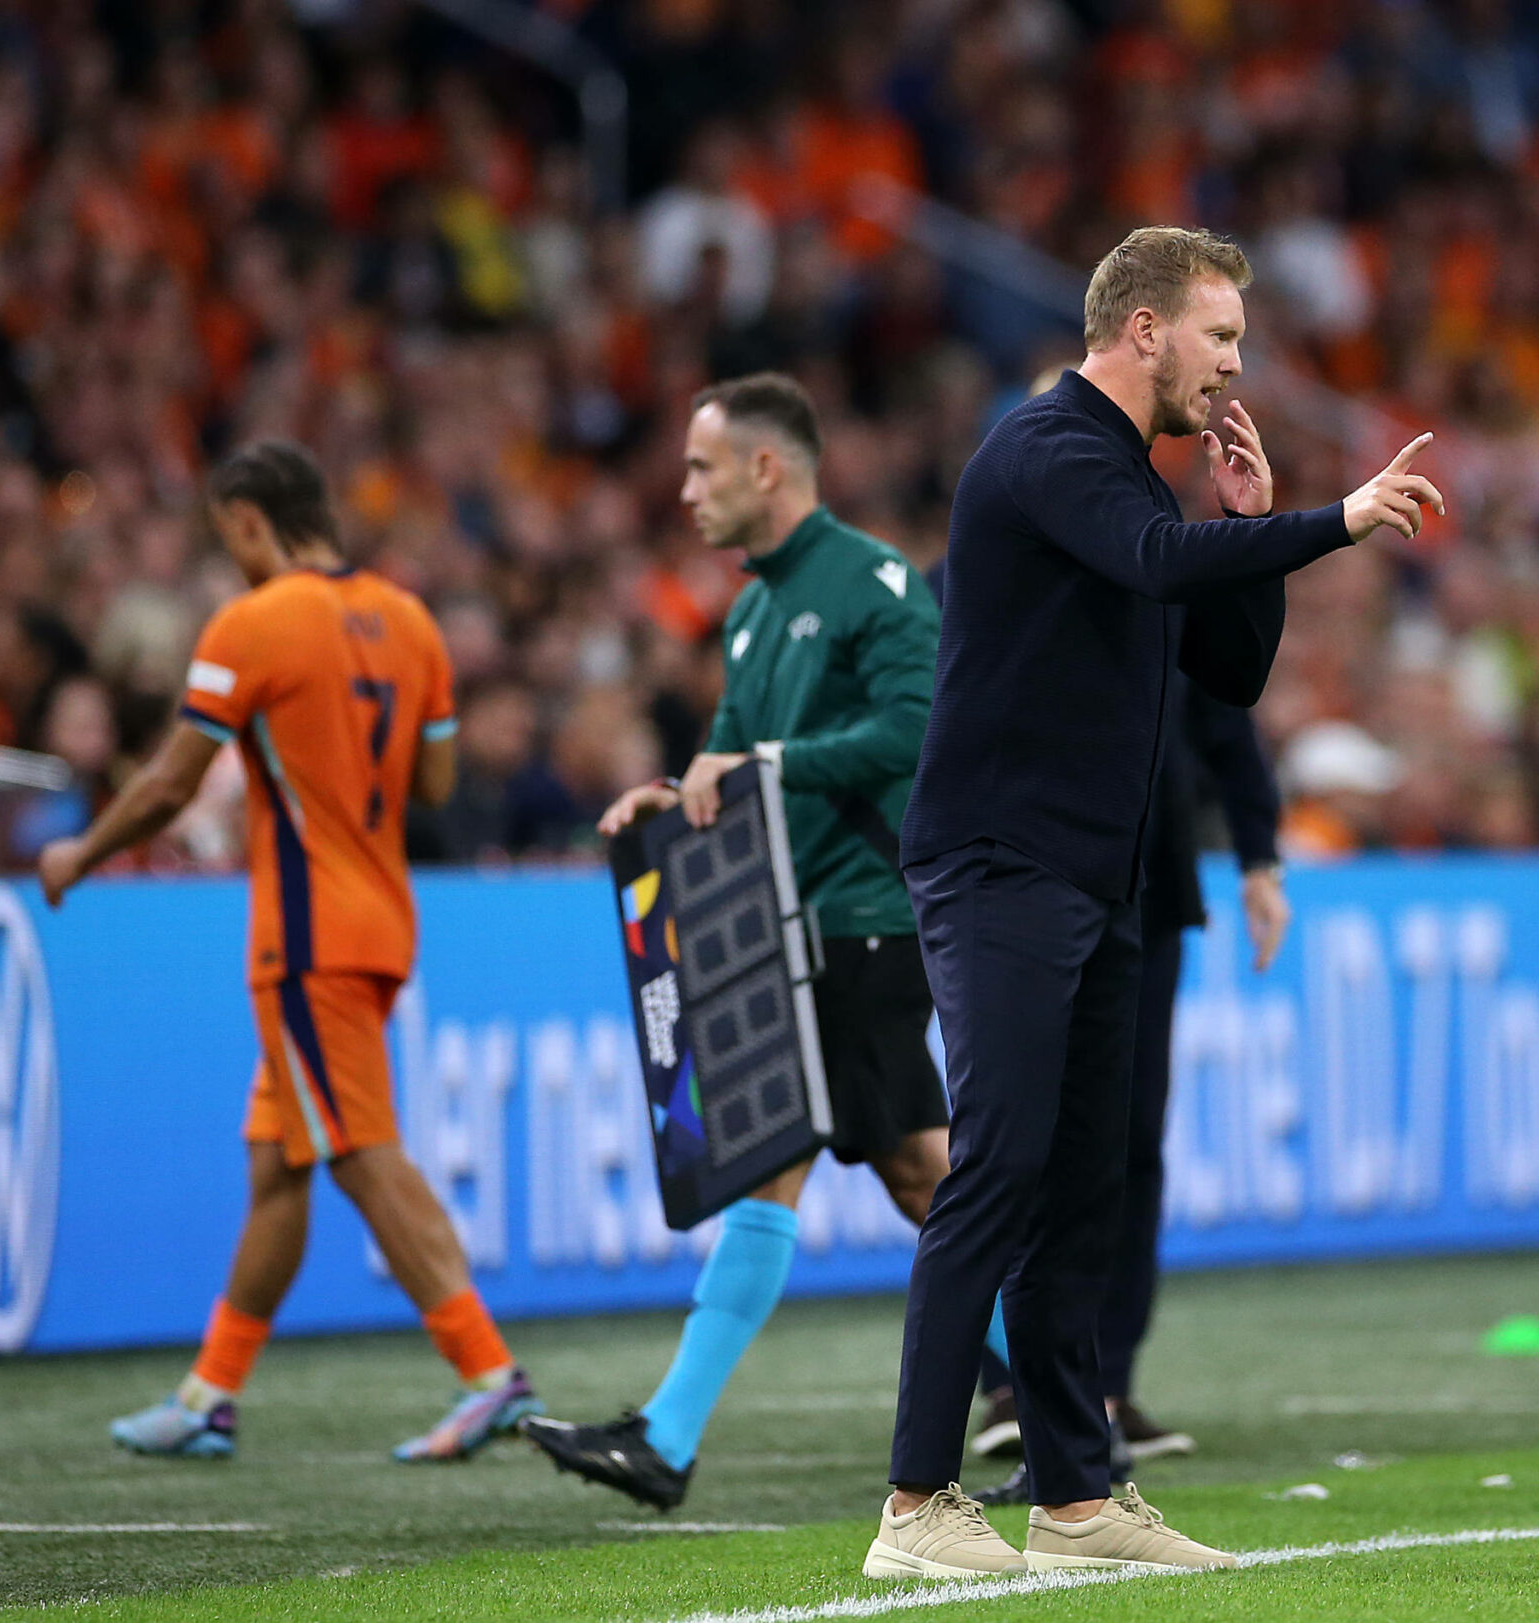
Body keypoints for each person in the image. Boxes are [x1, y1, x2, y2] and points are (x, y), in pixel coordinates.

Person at [867, 225, 1441, 1579]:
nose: (1237, 364)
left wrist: (1248, 525)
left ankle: (1075, 1497)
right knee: (1001, 1167)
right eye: (1222, 336)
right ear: (1141, 333)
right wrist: (1336, 519)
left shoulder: (1127, 480)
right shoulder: (1046, 449)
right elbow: (1162, 569)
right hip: (1002, 864)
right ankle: (914, 1502)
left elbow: (1225, 670)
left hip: (1102, 877)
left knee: (1083, 1190)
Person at [40, 441, 542, 1462]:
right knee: (278, 1166)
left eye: (230, 537)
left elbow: (176, 782)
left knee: (358, 1154)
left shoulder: (252, 623)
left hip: (306, 937)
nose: (230, 558)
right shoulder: (412, 621)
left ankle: (489, 1371)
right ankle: (209, 1393)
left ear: (253, 521)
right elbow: (436, 790)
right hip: (383, 921)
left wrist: (82, 852)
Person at [522, 373, 949, 1510]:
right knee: (834, 1167)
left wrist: (758, 768)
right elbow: (729, 752)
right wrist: (669, 795)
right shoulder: (756, 609)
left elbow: (918, 725)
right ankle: (664, 1438)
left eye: (703, 467)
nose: (686, 490)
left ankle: (1066, 1409)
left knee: (919, 1176)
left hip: (864, 920)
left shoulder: (872, 582)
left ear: (769, 468)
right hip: (790, 924)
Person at [974, 686, 1291, 1502]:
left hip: (1144, 892)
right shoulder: (980, 576)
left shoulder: (1167, 571)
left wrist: (1259, 853)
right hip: (1020, 884)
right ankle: (1020, 1379)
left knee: (1127, 1141)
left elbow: (1225, 698)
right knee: (1008, 1145)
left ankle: (1103, 1381)